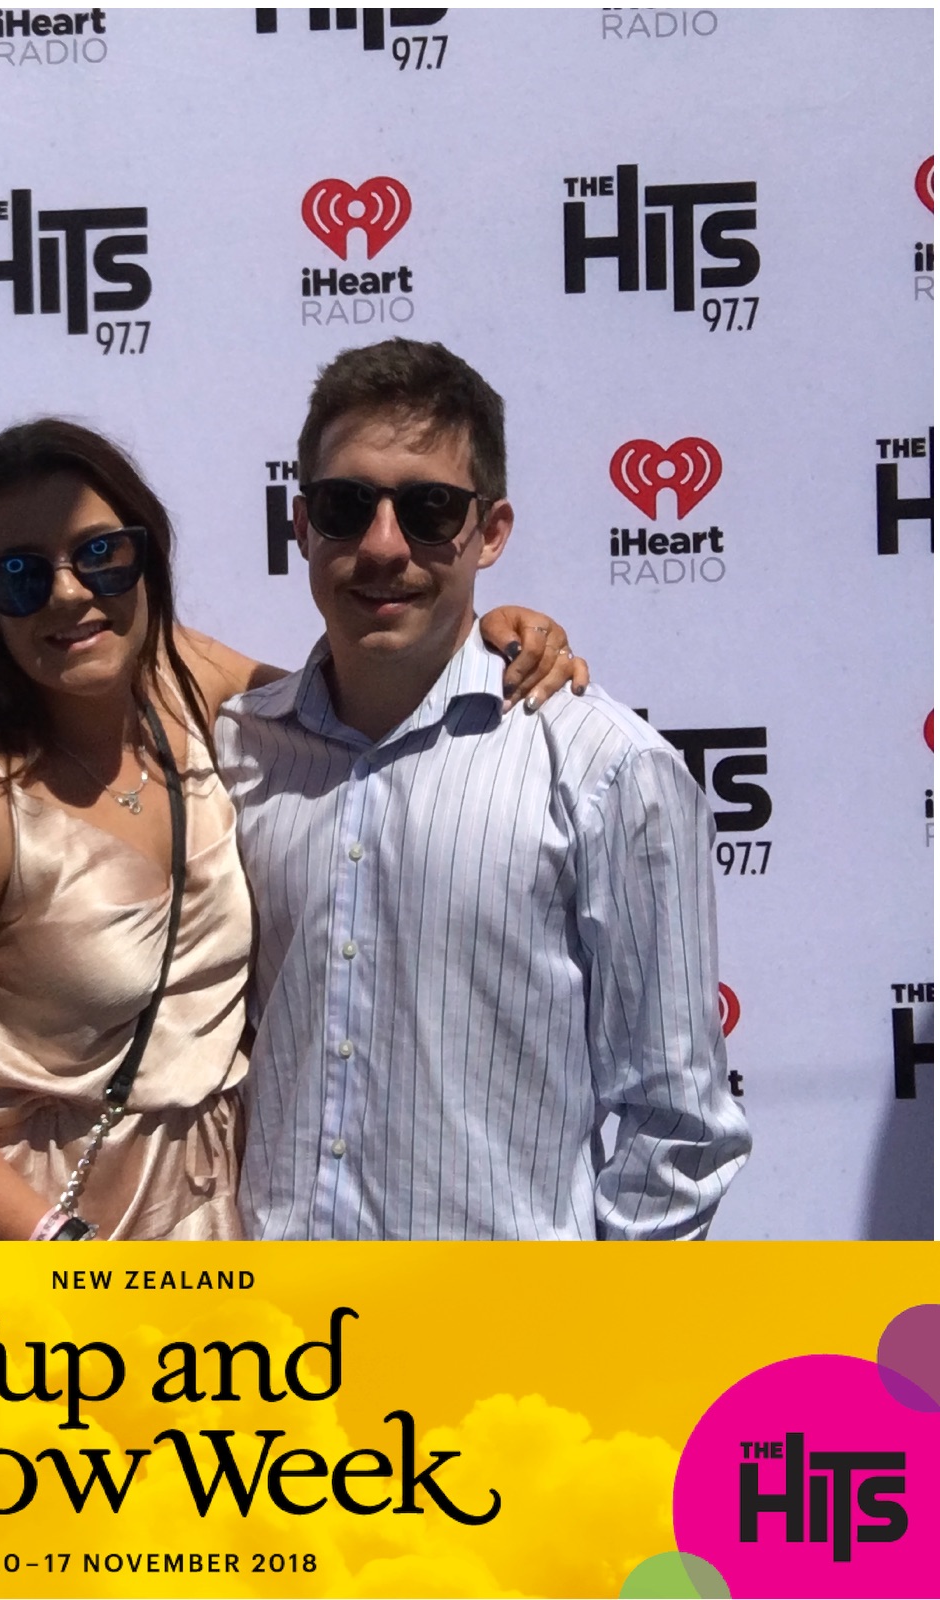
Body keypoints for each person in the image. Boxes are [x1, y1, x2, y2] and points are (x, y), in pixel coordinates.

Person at [0, 418, 584, 1240]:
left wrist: (488, 633)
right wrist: (60, 1251)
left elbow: (363, 704)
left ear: (148, 557)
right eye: (19, 574)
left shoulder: (190, 686)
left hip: (212, 1224)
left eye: (101, 554)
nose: (70, 594)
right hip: (29, 1250)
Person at [216, 338, 752, 1240]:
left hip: (506, 1321)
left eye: (429, 509)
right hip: (283, 1318)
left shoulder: (606, 768)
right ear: (302, 525)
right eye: (347, 506)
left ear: (490, 531)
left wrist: (591, 1322)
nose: (384, 545)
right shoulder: (236, 755)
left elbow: (680, 1129)